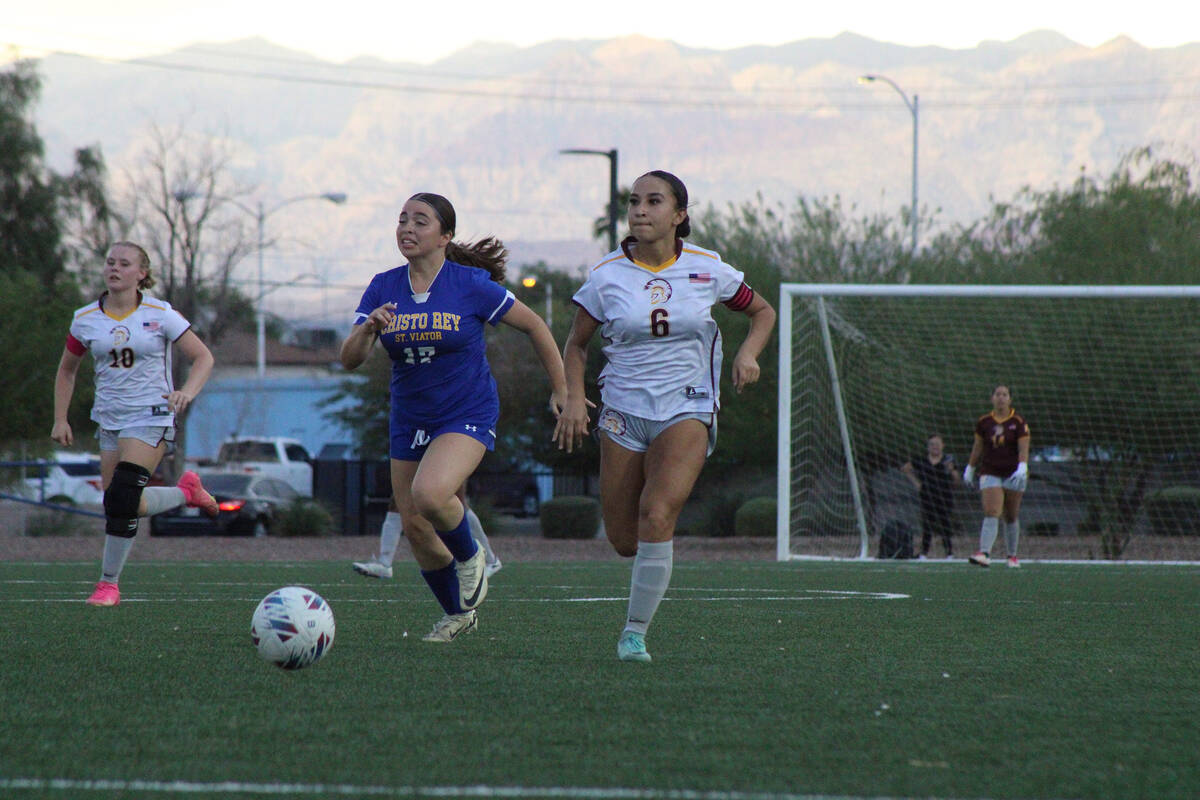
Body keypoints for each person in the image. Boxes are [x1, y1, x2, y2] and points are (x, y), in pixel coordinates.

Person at [555, 170, 776, 663]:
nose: (639, 210)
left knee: (658, 513)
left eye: (653, 201)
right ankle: (641, 577)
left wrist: (748, 355)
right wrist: (573, 396)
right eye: (634, 201)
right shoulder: (607, 274)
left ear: (679, 215)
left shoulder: (709, 268)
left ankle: (634, 634)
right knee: (623, 538)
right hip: (623, 411)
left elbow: (763, 312)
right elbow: (576, 345)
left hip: (688, 404)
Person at [340, 192, 567, 642]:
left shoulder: (471, 284)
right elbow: (349, 359)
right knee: (417, 530)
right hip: (409, 417)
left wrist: (563, 389)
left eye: (420, 221)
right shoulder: (382, 286)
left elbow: (537, 326)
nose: (407, 227)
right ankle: (457, 615)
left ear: (445, 236)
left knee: (430, 493)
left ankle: (471, 555)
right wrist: (368, 329)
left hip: (466, 412)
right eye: (402, 219)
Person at [51, 241, 220, 607]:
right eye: (110, 262)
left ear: (141, 274)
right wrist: (60, 418)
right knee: (118, 503)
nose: (114, 268)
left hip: (151, 414)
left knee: (125, 493)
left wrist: (186, 392)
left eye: (124, 263)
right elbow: (67, 370)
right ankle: (185, 493)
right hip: (109, 419)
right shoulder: (85, 319)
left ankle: (108, 584)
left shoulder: (161, 314)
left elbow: (203, 358)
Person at [352, 484, 502, 579]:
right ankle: (384, 563)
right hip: (423, 442)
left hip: (453, 440)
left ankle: (491, 561)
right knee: (397, 500)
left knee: (458, 500)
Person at [962, 385, 1030, 568]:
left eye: (1004, 394)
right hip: (990, 470)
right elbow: (978, 447)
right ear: (992, 398)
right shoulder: (984, 422)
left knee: (1011, 515)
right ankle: (984, 553)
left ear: (1010, 399)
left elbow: (1024, 446)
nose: (1001, 398)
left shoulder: (1018, 421)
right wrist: (970, 467)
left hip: (1014, 472)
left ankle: (1012, 555)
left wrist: (1023, 465)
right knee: (992, 511)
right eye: (997, 394)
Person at [901, 433, 961, 558]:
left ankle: (949, 553)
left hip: (944, 496)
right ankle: (924, 553)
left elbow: (957, 479)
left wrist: (951, 471)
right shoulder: (921, 460)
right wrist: (917, 483)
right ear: (928, 447)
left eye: (938, 444)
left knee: (945, 525)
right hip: (927, 496)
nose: (935, 447)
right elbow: (905, 468)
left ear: (943, 446)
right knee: (927, 525)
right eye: (932, 444)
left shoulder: (948, 460)